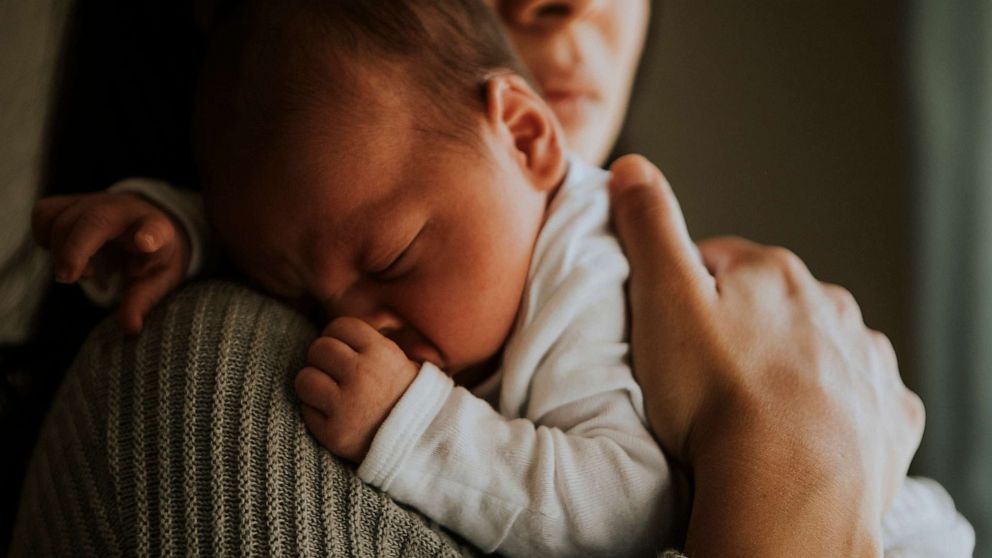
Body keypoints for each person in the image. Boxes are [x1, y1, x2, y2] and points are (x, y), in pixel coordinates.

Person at [11, 0, 968, 556]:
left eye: (390, 264)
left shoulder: (585, 285)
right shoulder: (205, 376)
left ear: (522, 134)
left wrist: (415, 426)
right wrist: (177, 228)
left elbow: (621, 504)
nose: (357, 328)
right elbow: (321, 226)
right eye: (300, 302)